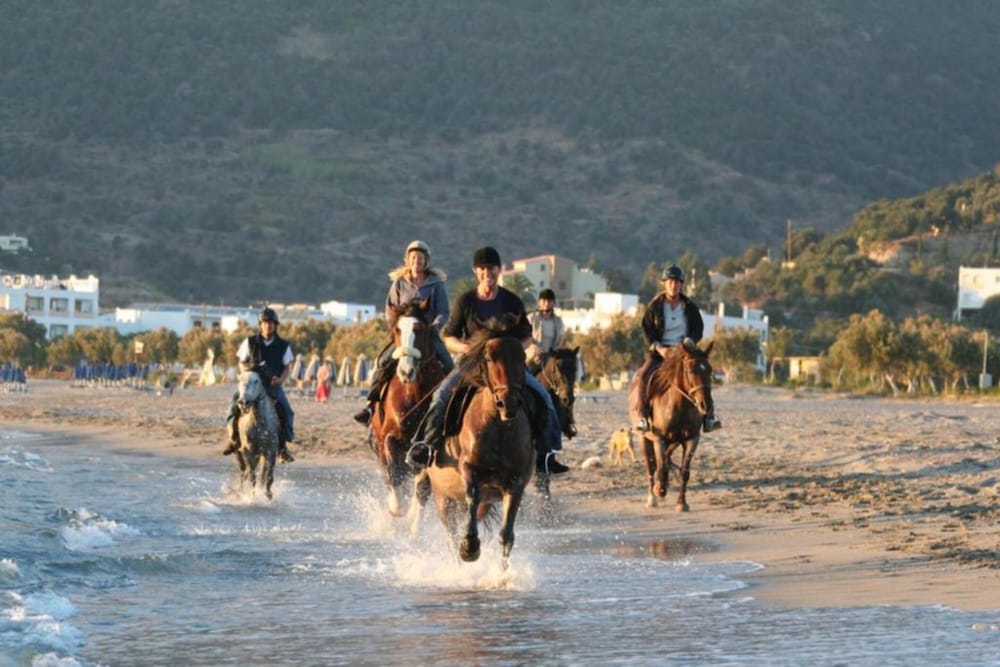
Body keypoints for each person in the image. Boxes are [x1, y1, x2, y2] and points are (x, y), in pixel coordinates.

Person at [406, 246, 570, 475]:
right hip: (471, 365)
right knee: (441, 395)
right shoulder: (465, 301)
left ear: (499, 270)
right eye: (482, 269)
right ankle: (425, 446)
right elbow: (449, 336)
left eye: (491, 268)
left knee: (544, 397)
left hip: (507, 367)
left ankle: (546, 455)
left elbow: (526, 335)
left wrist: (513, 350)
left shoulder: (512, 301)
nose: (487, 273)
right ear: (476, 271)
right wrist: (467, 348)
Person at [353, 240, 454, 425]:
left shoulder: (436, 285)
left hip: (427, 335)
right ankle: (370, 405)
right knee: (382, 362)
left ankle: (455, 408)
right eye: (413, 258)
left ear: (426, 261)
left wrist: (434, 327)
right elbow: (389, 310)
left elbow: (444, 312)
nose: (417, 261)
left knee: (449, 364)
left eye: (420, 258)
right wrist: (396, 329)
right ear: (407, 260)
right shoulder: (399, 284)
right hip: (404, 336)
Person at [630, 264, 721, 433]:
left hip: (684, 351)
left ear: (681, 285)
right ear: (664, 284)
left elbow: (698, 328)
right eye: (670, 282)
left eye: (677, 282)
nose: (674, 285)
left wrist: (690, 340)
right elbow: (647, 329)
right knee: (643, 376)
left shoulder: (690, 307)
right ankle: (642, 417)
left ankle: (709, 417)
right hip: (660, 352)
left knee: (701, 374)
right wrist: (658, 347)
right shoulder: (655, 306)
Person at [222, 306, 297, 463]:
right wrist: (247, 375)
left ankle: (282, 447)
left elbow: (287, 368)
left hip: (272, 385)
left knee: (287, 411)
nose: (268, 325)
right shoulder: (249, 342)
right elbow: (241, 362)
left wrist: (280, 380)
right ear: (260, 325)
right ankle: (233, 438)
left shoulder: (283, 345)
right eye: (265, 322)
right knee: (233, 405)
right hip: (251, 384)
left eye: (271, 323)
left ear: (275, 325)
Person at [526, 287, 566, 372]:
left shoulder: (559, 321)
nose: (547, 303)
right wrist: (537, 349)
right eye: (544, 301)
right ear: (539, 302)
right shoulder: (531, 318)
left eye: (549, 301)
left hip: (551, 359)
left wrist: (553, 352)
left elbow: (561, 340)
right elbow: (526, 337)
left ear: (553, 303)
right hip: (533, 358)